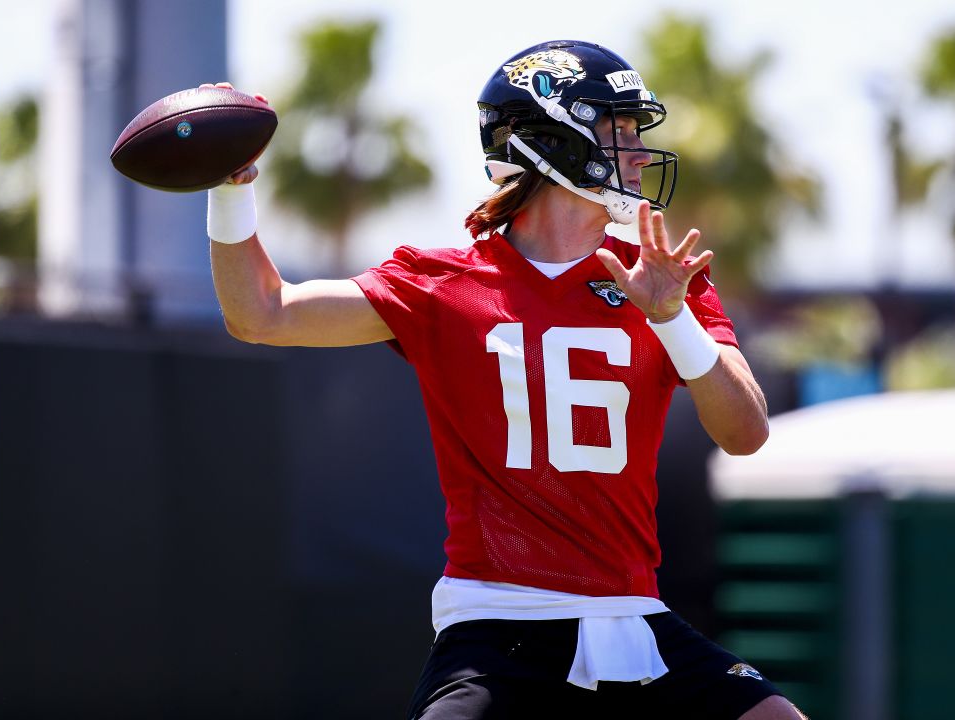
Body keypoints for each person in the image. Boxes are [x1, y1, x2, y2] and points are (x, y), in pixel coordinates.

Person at [203, 39, 805, 720]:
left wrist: (670, 318)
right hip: (499, 631)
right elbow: (262, 313)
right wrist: (231, 191)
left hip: (635, 619)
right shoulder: (442, 284)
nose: (639, 152)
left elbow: (747, 432)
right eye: (619, 130)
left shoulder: (662, 278)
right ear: (554, 140)